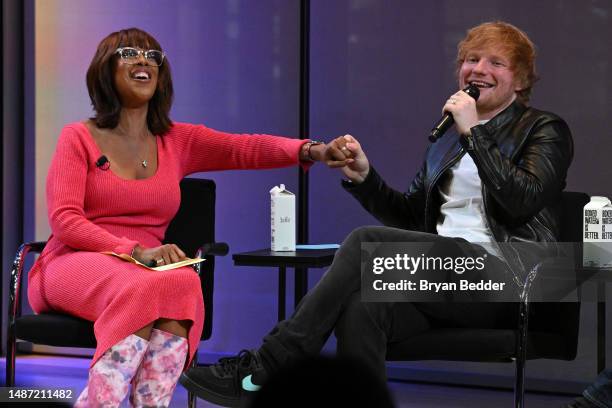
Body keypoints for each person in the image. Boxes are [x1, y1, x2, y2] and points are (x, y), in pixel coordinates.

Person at [179, 21, 574, 407]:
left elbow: (522, 200)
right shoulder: (446, 143)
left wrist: (475, 133)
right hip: (447, 274)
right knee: (363, 307)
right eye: (471, 59)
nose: (479, 70)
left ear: (520, 81)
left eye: (496, 63)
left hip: (511, 280)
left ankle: (269, 365)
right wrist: (366, 179)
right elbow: (411, 223)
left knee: (365, 241)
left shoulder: (543, 129)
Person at [27, 27, 348, 408]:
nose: (144, 60)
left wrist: (312, 150)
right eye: (129, 53)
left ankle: (152, 403)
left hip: (143, 273)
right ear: (105, 70)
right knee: (147, 285)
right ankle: (101, 401)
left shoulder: (176, 140)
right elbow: (65, 220)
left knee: (183, 283)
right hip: (73, 262)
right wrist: (133, 250)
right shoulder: (77, 137)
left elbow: (244, 148)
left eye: (153, 56)